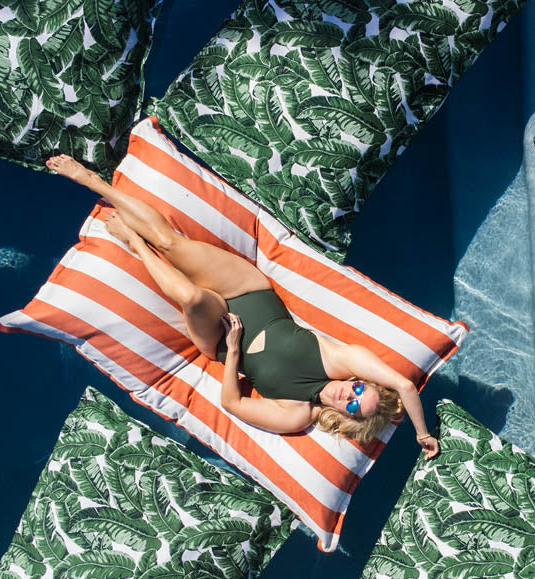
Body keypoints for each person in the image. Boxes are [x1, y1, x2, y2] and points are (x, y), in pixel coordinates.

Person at [47, 155, 440, 459]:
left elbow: (232, 402)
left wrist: (233, 350)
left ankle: (133, 244)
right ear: (360, 380)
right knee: (171, 244)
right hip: (251, 291)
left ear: (348, 418)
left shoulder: (296, 414)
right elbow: (404, 384)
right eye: (358, 390)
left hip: (220, 339)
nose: (348, 396)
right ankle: (92, 180)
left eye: (353, 406)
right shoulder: (342, 359)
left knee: (194, 298)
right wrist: (422, 434)